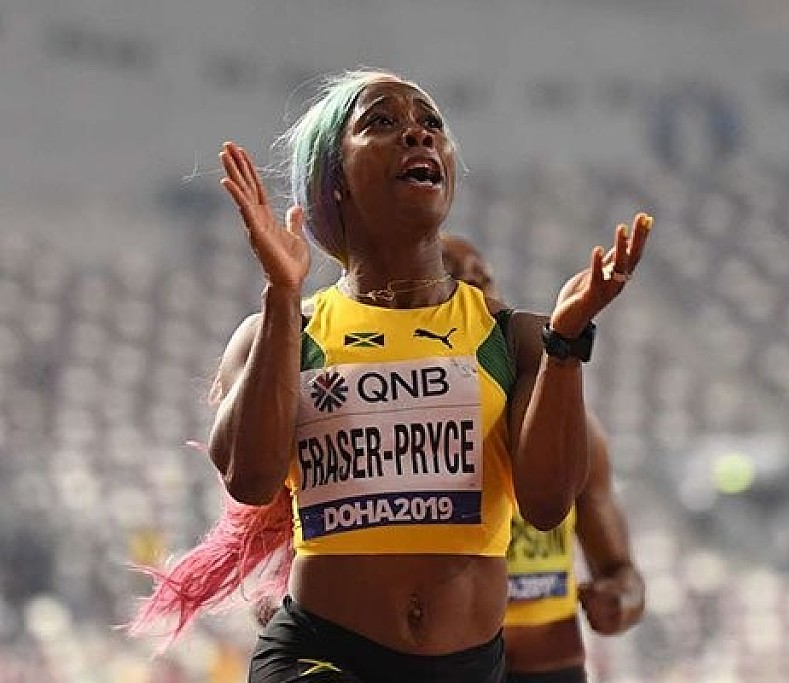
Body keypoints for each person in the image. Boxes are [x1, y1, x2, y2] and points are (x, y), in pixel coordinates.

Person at [128, 68, 652, 683]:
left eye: (432, 124)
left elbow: (545, 506)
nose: (418, 134)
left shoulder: (517, 339)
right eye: (381, 122)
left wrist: (565, 344)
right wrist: (280, 294)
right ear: (334, 181)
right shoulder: (284, 330)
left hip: (466, 667)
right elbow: (251, 478)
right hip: (321, 652)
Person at [442, 235, 645, 683]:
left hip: (551, 666)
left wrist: (619, 601)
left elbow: (624, 575)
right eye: (455, 277)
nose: (476, 287)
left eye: (483, 276)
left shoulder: (575, 429)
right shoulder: (414, 426)